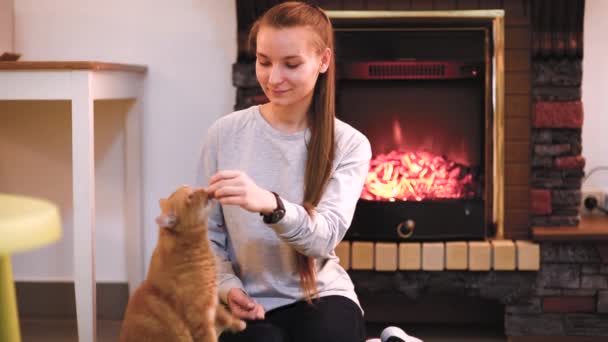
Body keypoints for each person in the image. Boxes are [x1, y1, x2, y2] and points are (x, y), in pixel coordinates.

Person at [196, 2, 371, 341]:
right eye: (264, 62)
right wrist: (228, 288)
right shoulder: (224, 134)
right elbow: (206, 234)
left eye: (291, 64)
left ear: (323, 61)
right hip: (245, 299)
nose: (273, 78)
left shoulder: (350, 144)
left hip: (321, 295)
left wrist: (272, 204)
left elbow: (324, 239)